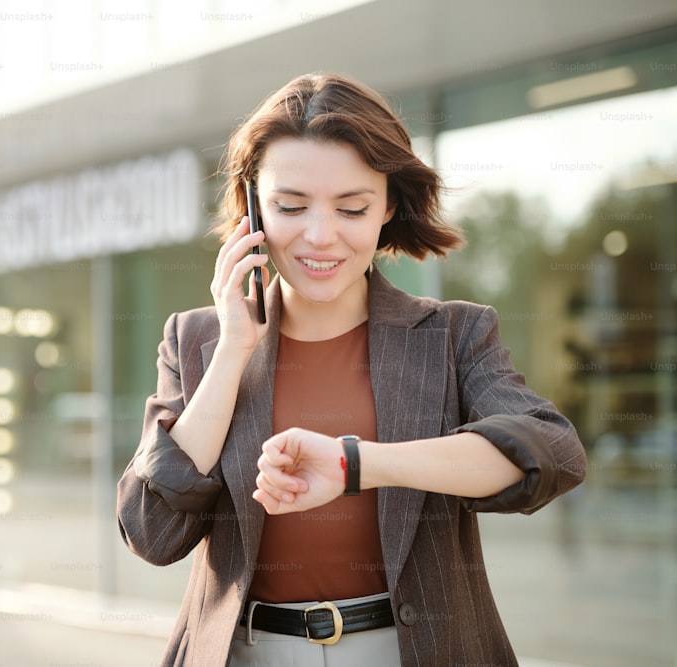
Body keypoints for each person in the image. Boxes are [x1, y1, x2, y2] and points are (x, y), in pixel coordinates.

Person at [116, 72, 586, 667]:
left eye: (352, 207)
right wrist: (234, 347)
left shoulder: (453, 334)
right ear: (253, 206)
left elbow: (552, 453)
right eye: (290, 206)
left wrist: (356, 464)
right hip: (247, 653)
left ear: (388, 206)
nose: (320, 236)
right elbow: (151, 532)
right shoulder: (195, 340)